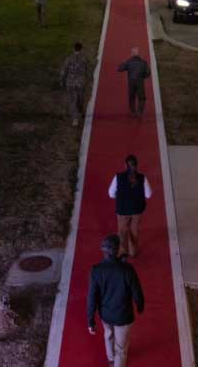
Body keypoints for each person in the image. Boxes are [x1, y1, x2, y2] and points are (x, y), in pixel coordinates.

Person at [86, 234, 144, 367]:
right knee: (121, 348)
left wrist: (90, 321)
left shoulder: (96, 270)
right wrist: (140, 306)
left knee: (108, 335)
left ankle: (111, 358)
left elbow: (91, 297)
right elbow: (137, 292)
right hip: (123, 316)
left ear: (103, 251)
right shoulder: (127, 269)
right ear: (118, 250)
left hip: (105, 315)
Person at [109, 155, 153, 259]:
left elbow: (111, 194)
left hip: (123, 210)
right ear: (137, 166)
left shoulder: (118, 177)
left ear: (125, 165)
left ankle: (122, 253)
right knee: (134, 230)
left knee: (122, 231)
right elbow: (148, 194)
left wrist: (119, 196)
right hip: (137, 210)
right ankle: (133, 252)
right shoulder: (143, 178)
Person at [60, 41, 89, 126]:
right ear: (81, 49)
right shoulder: (84, 59)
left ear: (73, 49)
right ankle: (81, 111)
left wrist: (62, 81)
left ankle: (75, 119)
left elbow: (64, 71)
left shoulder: (69, 58)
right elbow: (88, 71)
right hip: (80, 82)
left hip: (71, 82)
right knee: (80, 99)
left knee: (73, 100)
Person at [117, 47, 150, 118]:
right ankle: (140, 111)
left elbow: (119, 69)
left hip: (131, 81)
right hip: (140, 81)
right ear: (138, 53)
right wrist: (142, 76)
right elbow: (148, 73)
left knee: (132, 97)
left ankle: (133, 112)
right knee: (141, 97)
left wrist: (123, 65)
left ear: (132, 54)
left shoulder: (129, 62)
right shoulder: (143, 62)